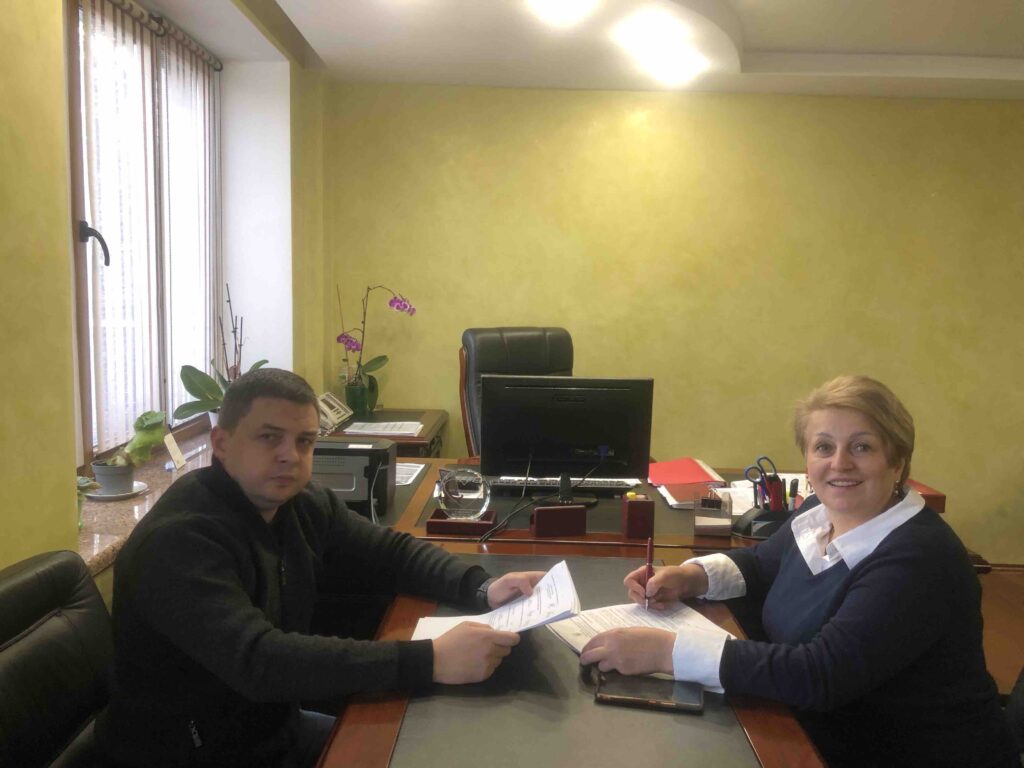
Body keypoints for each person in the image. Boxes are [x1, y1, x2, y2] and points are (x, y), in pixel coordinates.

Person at [95, 368, 543, 768]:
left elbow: (392, 553)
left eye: (304, 441)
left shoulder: (301, 504)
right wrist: (431, 660)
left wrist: (482, 587)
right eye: (269, 437)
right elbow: (259, 661)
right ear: (222, 443)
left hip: (270, 733)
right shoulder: (180, 540)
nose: (290, 455)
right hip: (190, 755)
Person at [580, 375, 1017, 767]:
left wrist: (666, 653)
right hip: (812, 726)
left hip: (899, 752)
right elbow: (761, 564)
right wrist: (692, 576)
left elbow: (821, 673)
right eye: (823, 447)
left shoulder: (917, 557)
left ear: (897, 462)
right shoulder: (818, 512)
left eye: (862, 447)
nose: (839, 463)